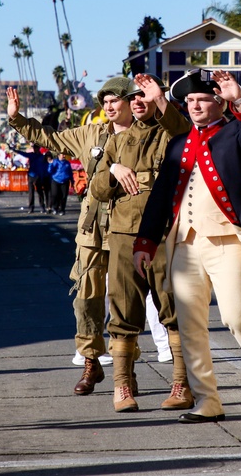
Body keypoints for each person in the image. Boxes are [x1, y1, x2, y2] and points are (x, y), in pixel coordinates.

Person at [133, 69, 241, 423]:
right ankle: (208, 401)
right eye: (189, 101)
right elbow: (160, 196)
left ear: (218, 103)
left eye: (202, 99)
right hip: (185, 245)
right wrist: (147, 241)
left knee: (236, 317)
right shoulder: (179, 143)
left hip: (228, 240)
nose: (195, 106)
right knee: (190, 327)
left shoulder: (236, 133)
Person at [7, 76, 133, 396]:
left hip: (128, 228)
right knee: (86, 300)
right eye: (104, 101)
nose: (108, 106)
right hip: (92, 230)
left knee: (124, 303)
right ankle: (91, 361)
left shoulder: (144, 134)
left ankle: (125, 369)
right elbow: (51, 138)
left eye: (115, 100)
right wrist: (16, 118)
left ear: (131, 101)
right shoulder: (91, 132)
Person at [89, 74, 192, 413]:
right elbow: (97, 188)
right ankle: (122, 387)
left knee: (173, 308)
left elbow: (183, 132)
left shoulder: (171, 135)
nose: (137, 101)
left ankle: (181, 384)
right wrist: (113, 170)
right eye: (132, 97)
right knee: (122, 311)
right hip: (122, 236)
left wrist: (161, 100)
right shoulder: (116, 142)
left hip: (164, 235)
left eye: (144, 96)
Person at [14, 143, 49, 214]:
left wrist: (43, 176)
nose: (34, 149)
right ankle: (31, 207)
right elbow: (23, 154)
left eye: (36, 148)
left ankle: (42, 206)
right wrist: (15, 150)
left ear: (38, 148)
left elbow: (44, 167)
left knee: (40, 192)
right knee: (31, 192)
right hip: (31, 175)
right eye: (34, 148)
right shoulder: (32, 155)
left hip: (38, 176)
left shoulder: (42, 157)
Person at [48, 151, 72, 216]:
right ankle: (55, 208)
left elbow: (70, 172)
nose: (64, 156)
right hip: (56, 180)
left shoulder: (67, 163)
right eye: (62, 155)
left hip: (65, 181)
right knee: (54, 195)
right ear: (58, 156)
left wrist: (72, 181)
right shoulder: (55, 162)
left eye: (64, 155)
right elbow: (49, 171)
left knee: (64, 196)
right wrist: (50, 164)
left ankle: (62, 209)